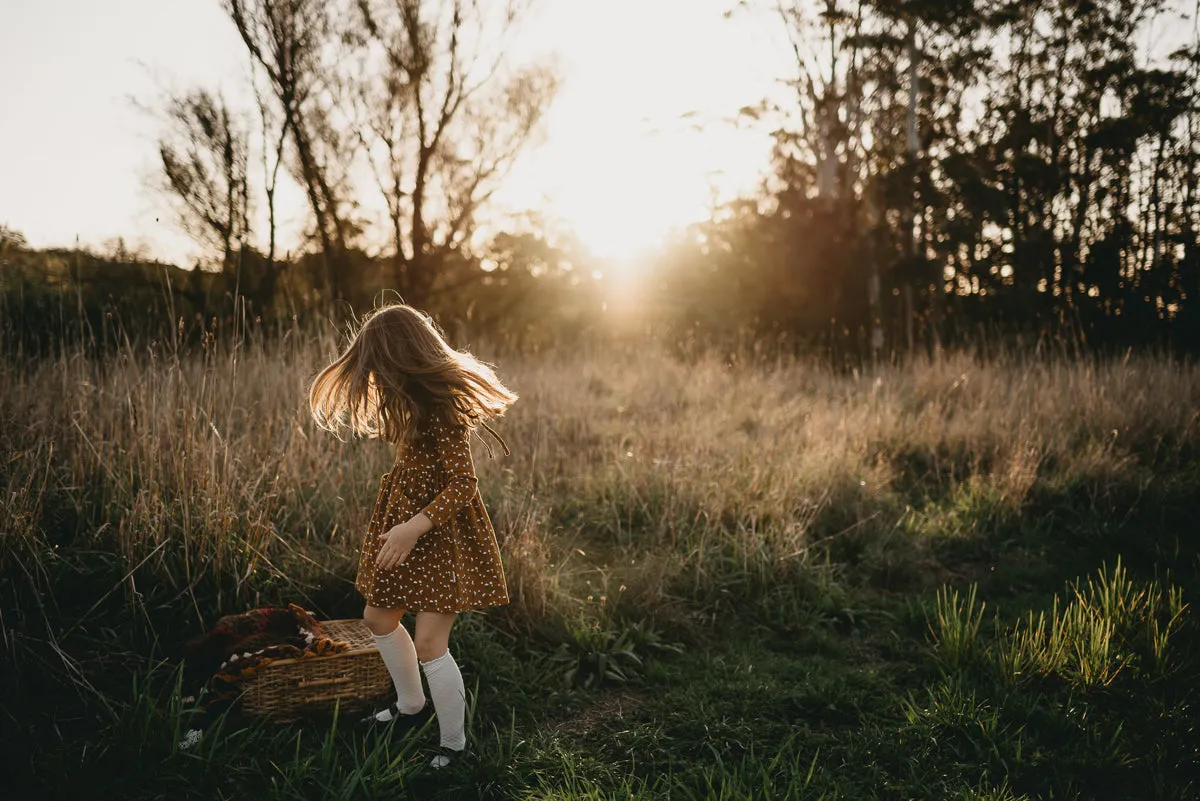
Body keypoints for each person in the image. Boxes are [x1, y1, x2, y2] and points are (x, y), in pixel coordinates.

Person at [308, 302, 515, 768]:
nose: (374, 379)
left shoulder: (443, 411)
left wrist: (411, 527)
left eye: (379, 367)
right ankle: (410, 706)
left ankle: (454, 746)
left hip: (441, 540)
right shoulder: (409, 407)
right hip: (408, 536)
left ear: (402, 360)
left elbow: (464, 485)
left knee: (429, 644)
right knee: (377, 617)